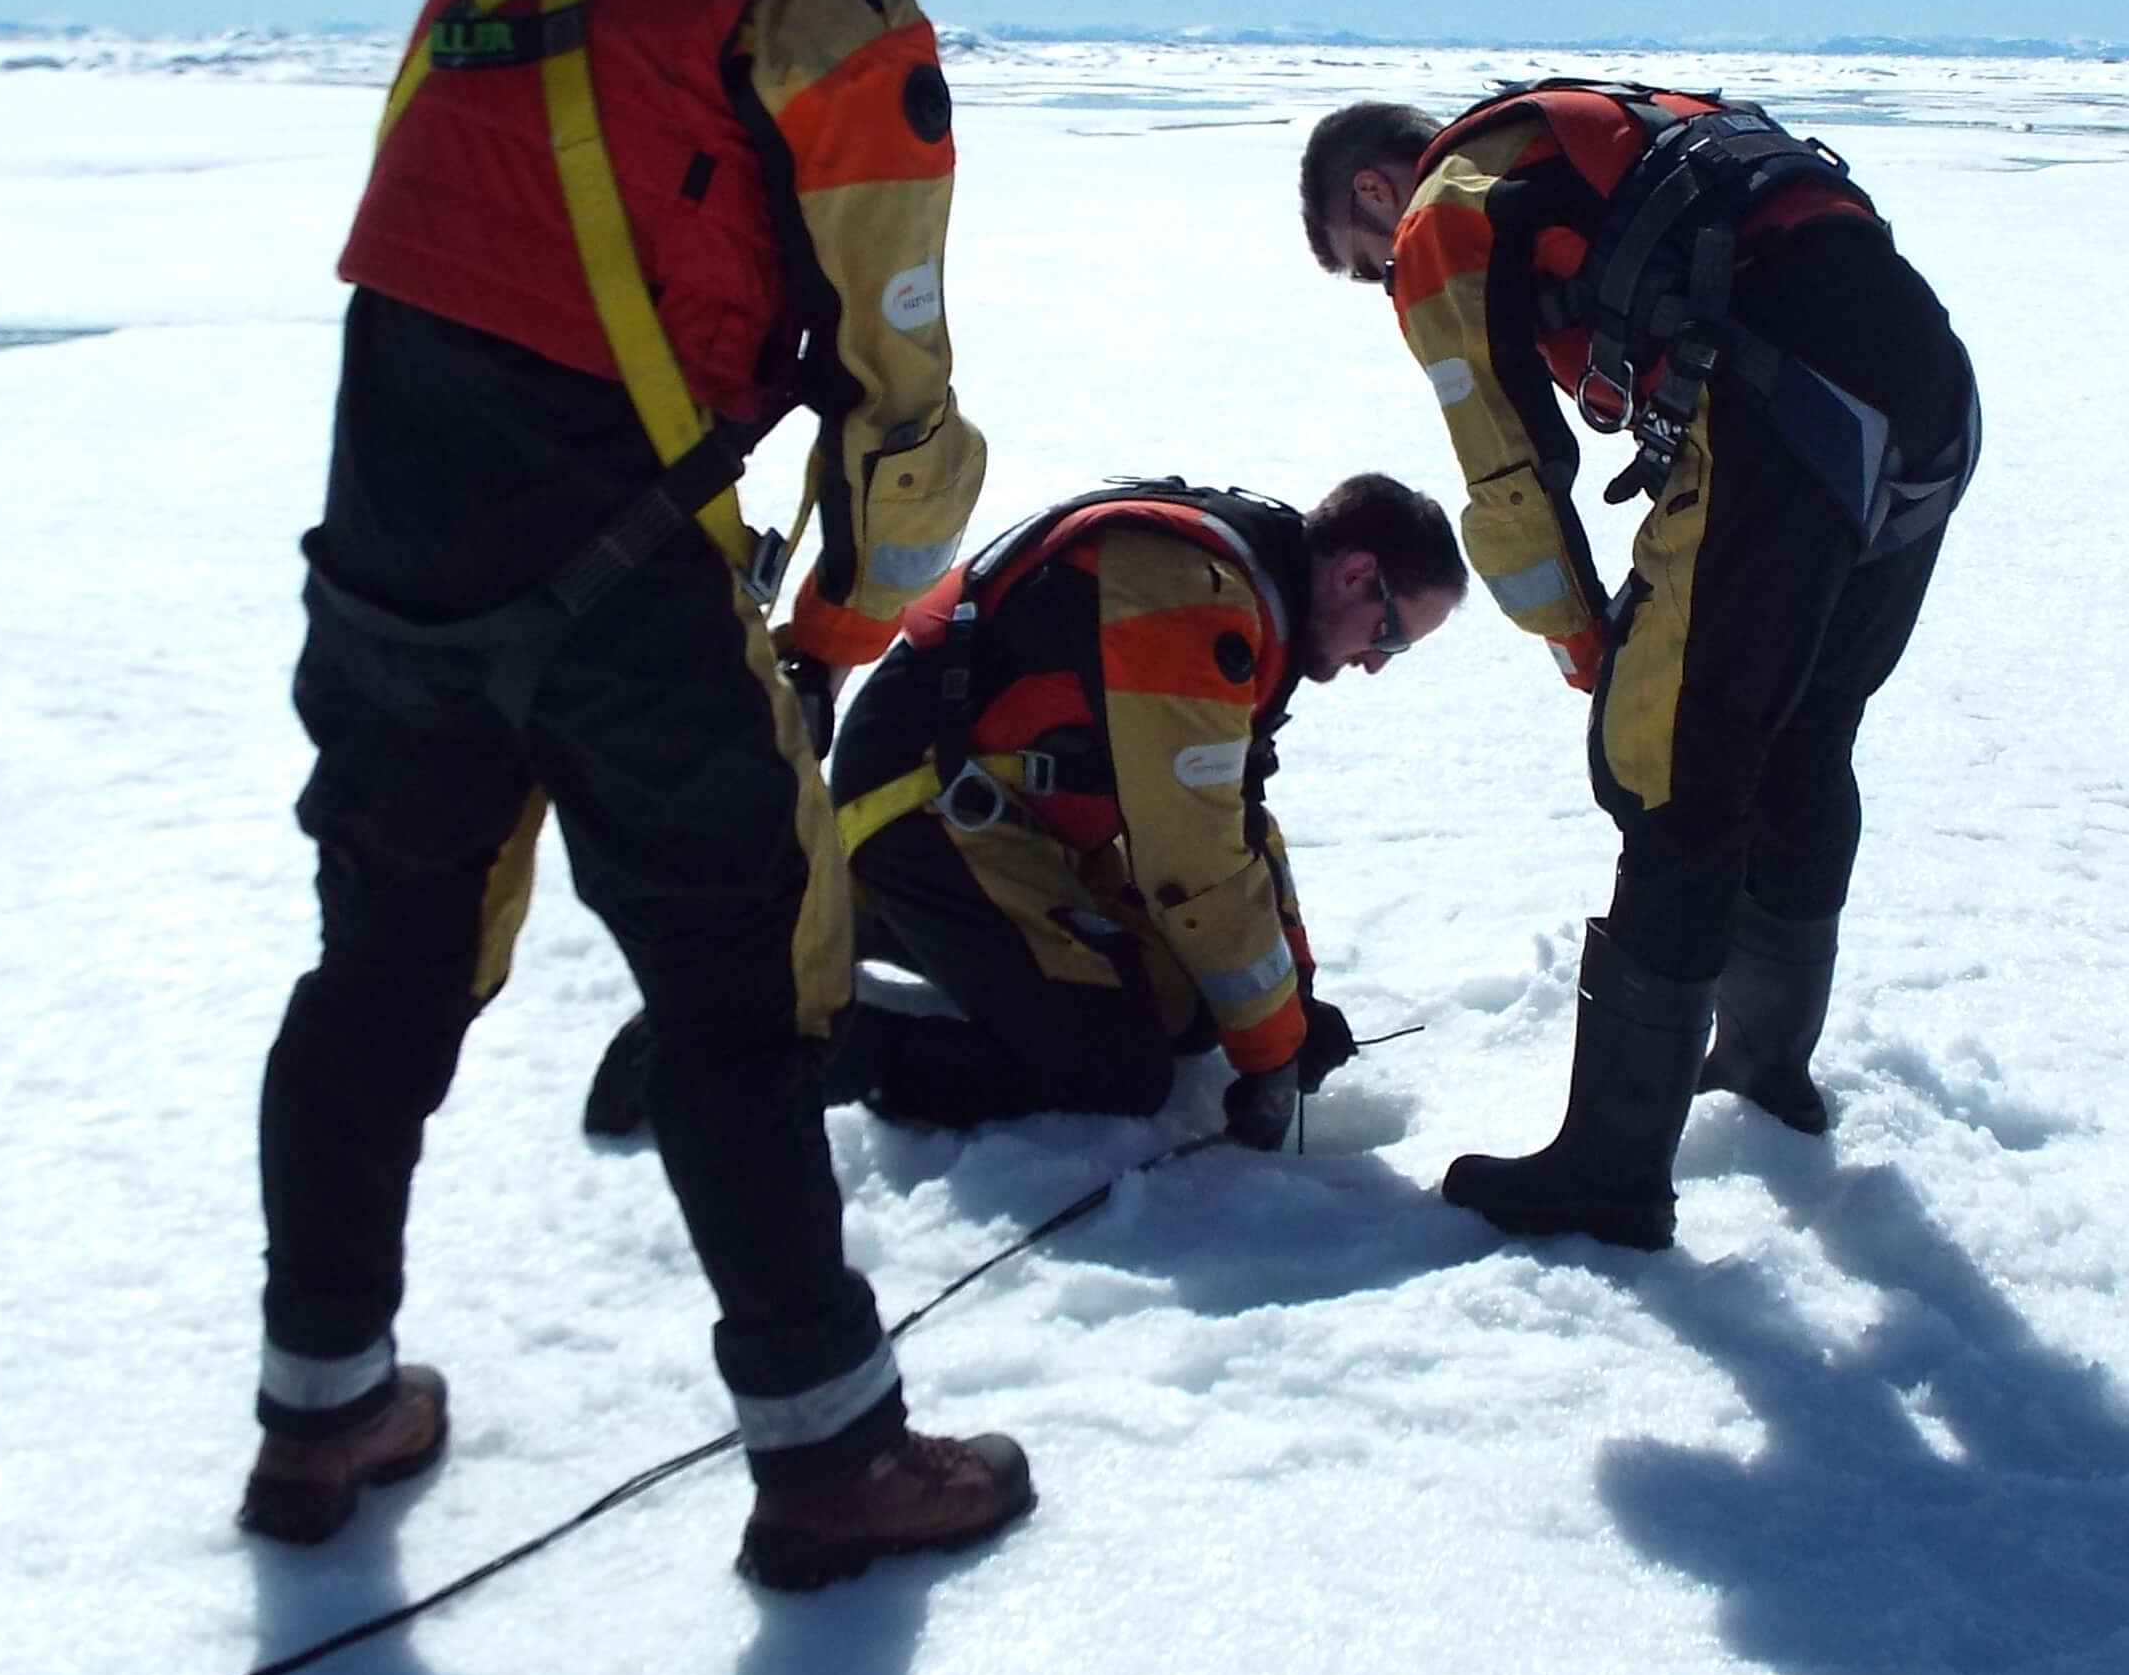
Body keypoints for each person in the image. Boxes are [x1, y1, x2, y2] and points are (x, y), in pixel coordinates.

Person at [246, 0, 1031, 1593]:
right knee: (742, 999)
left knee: (381, 972)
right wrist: (846, 619)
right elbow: (896, 403)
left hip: (386, 543)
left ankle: (321, 1403)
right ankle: (830, 1459)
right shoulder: (830, 12)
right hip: (619, 573)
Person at [1298, 86, 1977, 1248]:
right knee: (1804, 734)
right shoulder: (1591, 143)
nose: (1386, 284)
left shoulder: (1447, 213)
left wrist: (1583, 644)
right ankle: (1766, 1077)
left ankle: (1610, 1173)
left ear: (1375, 189)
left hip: (1787, 396)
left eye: (1365, 264)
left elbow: (1506, 472)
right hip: (1929, 392)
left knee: (1665, 768)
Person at [585, 474, 1470, 1152]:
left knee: (1195, 1008)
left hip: (1020, 820)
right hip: (925, 804)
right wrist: (1273, 1046)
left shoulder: (1251, 595)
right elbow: (1190, 854)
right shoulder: (1191, 598)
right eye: (1388, 637)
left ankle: (861, 917)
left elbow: (1240, 818)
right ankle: (785, 1039)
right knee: (1113, 1066)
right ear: (1358, 573)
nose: (1376, 664)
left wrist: (1294, 996)